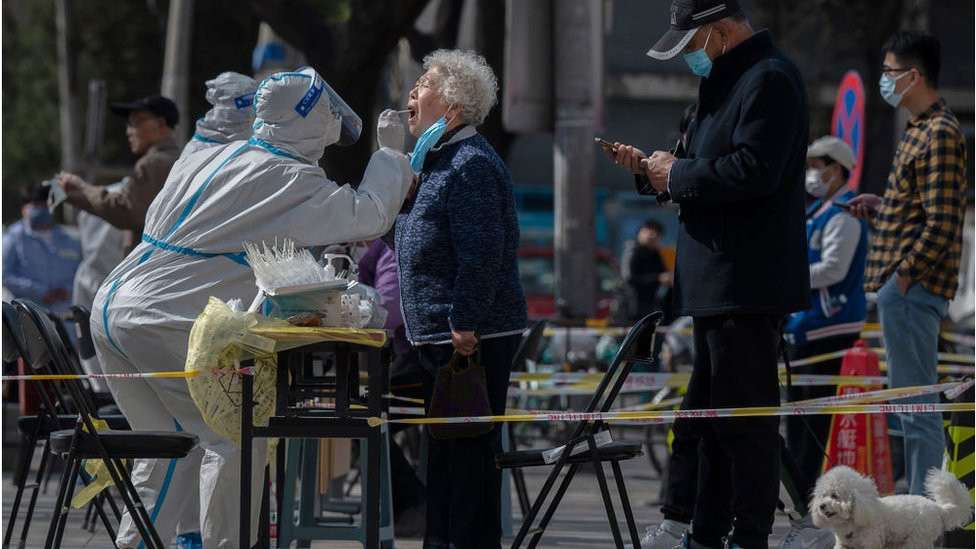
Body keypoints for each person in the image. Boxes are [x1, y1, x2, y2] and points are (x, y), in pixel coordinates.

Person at [88, 66, 413, 548]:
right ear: (313, 119)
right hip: (160, 319)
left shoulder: (216, 155)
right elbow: (369, 213)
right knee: (235, 437)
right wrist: (390, 154)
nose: (328, 139)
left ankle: (151, 543)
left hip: (113, 310)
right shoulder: (287, 176)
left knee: (169, 446)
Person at [609, 1, 810, 547]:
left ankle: (749, 534)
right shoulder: (729, 80)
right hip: (715, 281)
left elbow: (752, 169)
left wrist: (677, 173)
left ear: (719, 32)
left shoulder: (767, 79)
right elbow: (696, 166)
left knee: (744, 423)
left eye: (694, 44)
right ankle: (707, 530)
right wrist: (656, 173)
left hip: (743, 279)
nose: (691, 58)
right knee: (709, 422)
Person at [389, 49, 527, 548]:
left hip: (469, 336)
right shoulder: (434, 159)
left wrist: (464, 321)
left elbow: (484, 251)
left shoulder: (469, 163)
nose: (411, 92)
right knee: (445, 457)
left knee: (468, 462)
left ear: (452, 104)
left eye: (423, 84)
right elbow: (415, 242)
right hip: (438, 332)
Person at [848, 30, 968, 496]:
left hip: (913, 290)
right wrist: (887, 206)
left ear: (913, 76)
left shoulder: (938, 132)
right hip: (908, 289)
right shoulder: (922, 128)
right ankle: (922, 508)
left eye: (889, 72)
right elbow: (926, 211)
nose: (884, 80)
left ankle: (924, 513)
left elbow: (942, 223)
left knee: (916, 407)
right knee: (911, 405)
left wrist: (903, 274)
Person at [785, 136, 867, 486]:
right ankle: (798, 491)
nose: (810, 174)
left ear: (835, 169)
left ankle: (805, 494)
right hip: (807, 323)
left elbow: (834, 268)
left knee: (812, 419)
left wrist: (785, 280)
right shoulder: (818, 212)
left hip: (829, 325)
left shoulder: (845, 212)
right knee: (799, 417)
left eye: (815, 167)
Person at [354, 239, 427, 536]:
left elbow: (389, 312)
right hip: (415, 357)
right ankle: (406, 506)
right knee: (365, 419)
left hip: (419, 361)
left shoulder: (389, 251)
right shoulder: (384, 252)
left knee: (364, 421)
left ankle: (415, 503)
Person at [58, 94, 180, 254]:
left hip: (150, 261)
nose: (129, 131)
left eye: (135, 122)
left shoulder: (153, 163)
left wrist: (81, 191)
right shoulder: (181, 158)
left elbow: (126, 212)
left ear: (160, 123)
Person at [2, 183, 82, 315]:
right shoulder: (12, 238)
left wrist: (66, 290)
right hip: (24, 317)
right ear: (23, 208)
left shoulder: (69, 240)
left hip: (63, 318)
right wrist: (40, 292)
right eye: (35, 205)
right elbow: (5, 275)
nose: (41, 209)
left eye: (45, 205)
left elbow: (80, 273)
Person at [178, 71, 258, 161]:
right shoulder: (198, 150)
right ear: (224, 106)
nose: (252, 115)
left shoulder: (251, 141)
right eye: (247, 103)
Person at [620, 219, 672, 322]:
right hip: (631, 305)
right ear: (640, 233)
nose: (651, 235)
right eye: (648, 231)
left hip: (649, 305)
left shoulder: (655, 254)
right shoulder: (632, 249)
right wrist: (658, 278)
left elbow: (664, 273)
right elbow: (629, 277)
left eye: (656, 233)